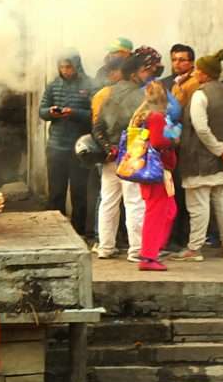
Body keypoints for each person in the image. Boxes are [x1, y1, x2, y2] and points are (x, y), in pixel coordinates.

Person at [172, 49, 223, 262]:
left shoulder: (200, 95)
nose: (195, 73)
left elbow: (201, 128)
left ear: (204, 73)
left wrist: (218, 149)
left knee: (198, 206)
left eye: (198, 70)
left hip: (198, 159)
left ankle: (194, 248)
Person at [92, 53, 149, 261]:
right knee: (134, 202)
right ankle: (136, 250)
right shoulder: (141, 97)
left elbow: (97, 126)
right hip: (132, 155)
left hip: (110, 156)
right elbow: (146, 127)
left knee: (108, 201)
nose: (146, 75)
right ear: (134, 74)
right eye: (143, 71)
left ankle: (105, 247)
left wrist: (108, 147)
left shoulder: (107, 94)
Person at [39, 50, 95, 237]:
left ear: (77, 66)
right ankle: (54, 233)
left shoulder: (89, 85)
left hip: (80, 147)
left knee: (79, 192)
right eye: (62, 67)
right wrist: (51, 112)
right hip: (56, 146)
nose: (65, 70)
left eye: (69, 66)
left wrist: (75, 113)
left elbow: (95, 115)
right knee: (56, 192)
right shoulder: (53, 85)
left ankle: (78, 232)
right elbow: (42, 110)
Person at [130, 82, 178, 271]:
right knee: (156, 213)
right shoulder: (157, 117)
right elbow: (158, 142)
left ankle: (155, 248)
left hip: (150, 170)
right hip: (158, 171)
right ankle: (148, 257)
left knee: (168, 210)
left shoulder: (141, 115)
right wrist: (174, 138)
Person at [160, 44, 199, 250]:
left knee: (188, 194)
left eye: (182, 60)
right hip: (168, 145)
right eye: (174, 59)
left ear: (192, 62)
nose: (177, 63)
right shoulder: (164, 83)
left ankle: (184, 236)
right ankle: (170, 236)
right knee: (170, 192)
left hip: (190, 143)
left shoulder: (198, 84)